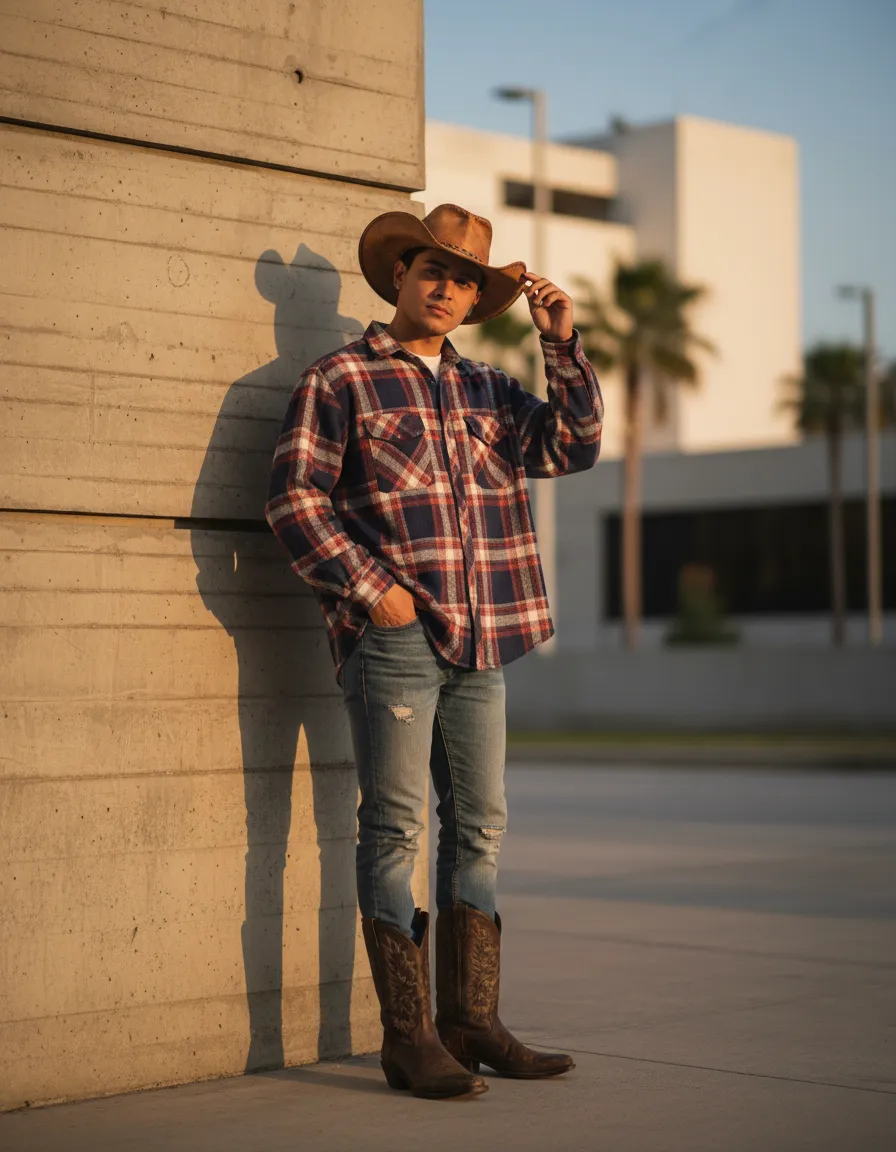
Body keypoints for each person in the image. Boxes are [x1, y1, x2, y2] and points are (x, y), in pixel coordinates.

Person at [265, 203, 603, 1100]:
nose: (447, 288)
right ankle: (407, 1038)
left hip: (487, 637)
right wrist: (374, 593)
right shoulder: (340, 378)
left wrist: (561, 344)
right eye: (434, 271)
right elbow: (295, 498)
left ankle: (472, 1022)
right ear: (401, 277)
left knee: (481, 828)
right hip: (398, 644)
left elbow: (574, 446)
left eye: (466, 280)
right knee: (394, 832)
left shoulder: (492, 389)